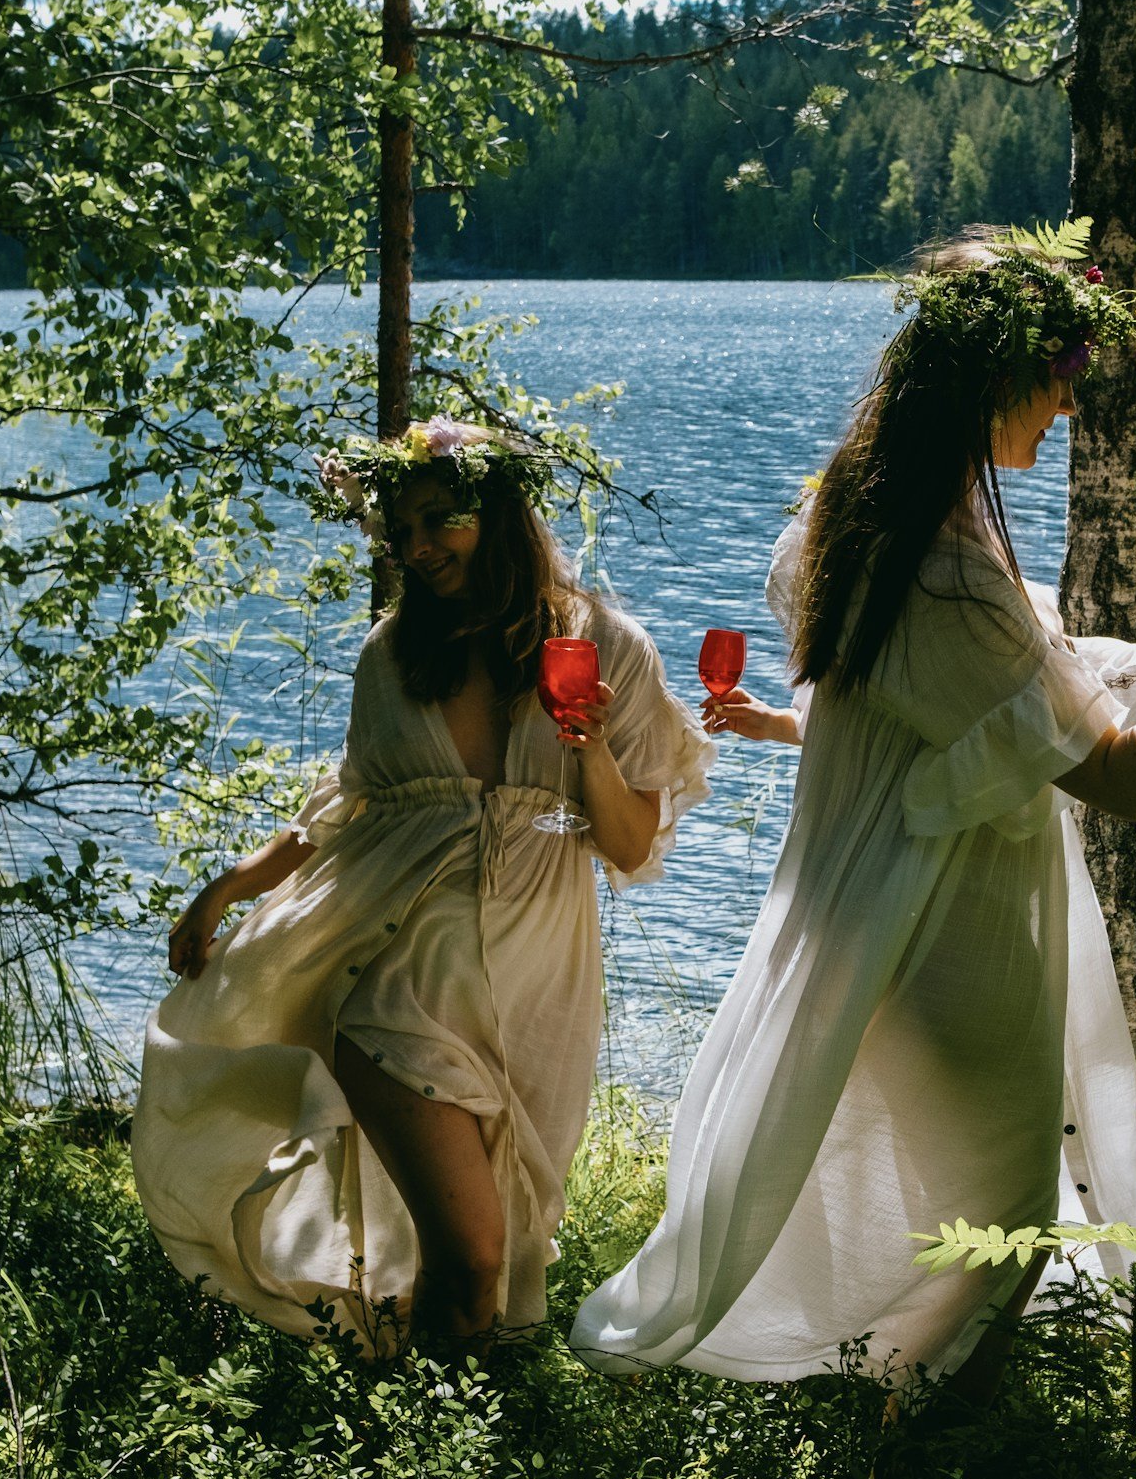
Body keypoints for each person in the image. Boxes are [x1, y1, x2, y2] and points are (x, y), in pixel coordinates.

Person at [571, 226, 1136, 1392]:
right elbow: (1124, 777)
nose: (1066, 410)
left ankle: (892, 1416)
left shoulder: (854, 523)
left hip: (871, 907)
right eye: (1057, 381)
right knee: (1002, 1216)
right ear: (994, 379)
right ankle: (902, 1435)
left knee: (966, 1208)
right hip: (940, 920)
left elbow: (959, 693)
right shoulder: (945, 572)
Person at [131, 422, 713, 1355]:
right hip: (399, 989)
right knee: (473, 1256)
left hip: (535, 998)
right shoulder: (395, 654)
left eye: (440, 519)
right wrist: (231, 887)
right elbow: (346, 811)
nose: (417, 547)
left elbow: (630, 844)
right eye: (401, 530)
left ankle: (430, 1430)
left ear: (501, 514)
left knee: (490, 1256)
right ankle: (429, 1435)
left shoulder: (607, 646)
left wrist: (590, 745)